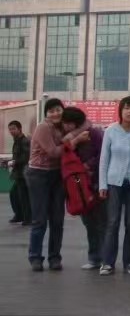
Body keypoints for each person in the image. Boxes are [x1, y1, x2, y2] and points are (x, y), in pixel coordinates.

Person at [26, 98, 88, 272]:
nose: (55, 113)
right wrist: (75, 141)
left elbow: (86, 123)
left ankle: (54, 257)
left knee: (57, 219)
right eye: (51, 111)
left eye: (58, 109)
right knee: (40, 220)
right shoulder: (43, 127)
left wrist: (75, 131)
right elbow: (53, 152)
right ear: (46, 113)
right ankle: (35, 257)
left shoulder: (64, 126)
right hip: (39, 174)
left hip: (58, 175)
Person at [98, 97, 130, 275]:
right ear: (120, 111)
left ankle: (129, 262)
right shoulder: (111, 130)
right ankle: (107, 262)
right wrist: (102, 184)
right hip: (113, 183)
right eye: (127, 108)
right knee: (112, 222)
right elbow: (104, 159)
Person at [61, 107, 106, 271]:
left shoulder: (94, 133)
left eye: (68, 123)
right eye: (64, 123)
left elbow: (103, 155)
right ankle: (94, 258)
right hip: (79, 186)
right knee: (88, 223)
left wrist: (88, 165)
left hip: (95, 183)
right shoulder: (68, 138)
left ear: (76, 123)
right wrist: (75, 141)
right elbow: (64, 155)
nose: (65, 126)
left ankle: (105, 259)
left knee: (100, 223)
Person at [8, 120, 31, 225]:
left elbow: (26, 157)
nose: (11, 131)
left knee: (23, 196)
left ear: (19, 129)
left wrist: (14, 162)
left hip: (23, 174)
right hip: (19, 173)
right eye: (10, 129)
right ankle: (20, 215)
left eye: (13, 129)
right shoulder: (17, 141)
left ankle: (27, 218)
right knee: (15, 194)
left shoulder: (24, 141)